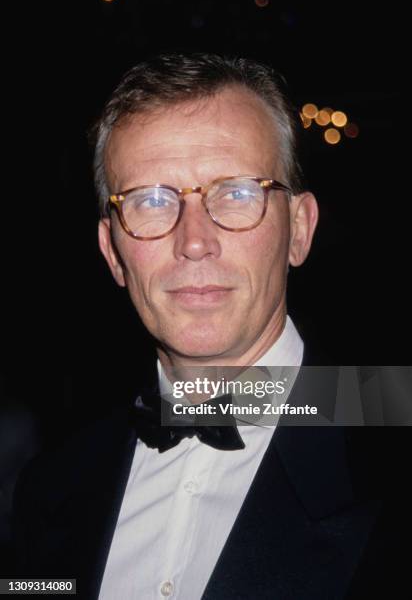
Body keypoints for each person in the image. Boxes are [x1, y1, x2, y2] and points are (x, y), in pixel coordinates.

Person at [11, 53, 409, 599]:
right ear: (112, 252)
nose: (194, 241)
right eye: (151, 201)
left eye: (237, 192)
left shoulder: (389, 453)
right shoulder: (50, 486)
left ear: (299, 229)